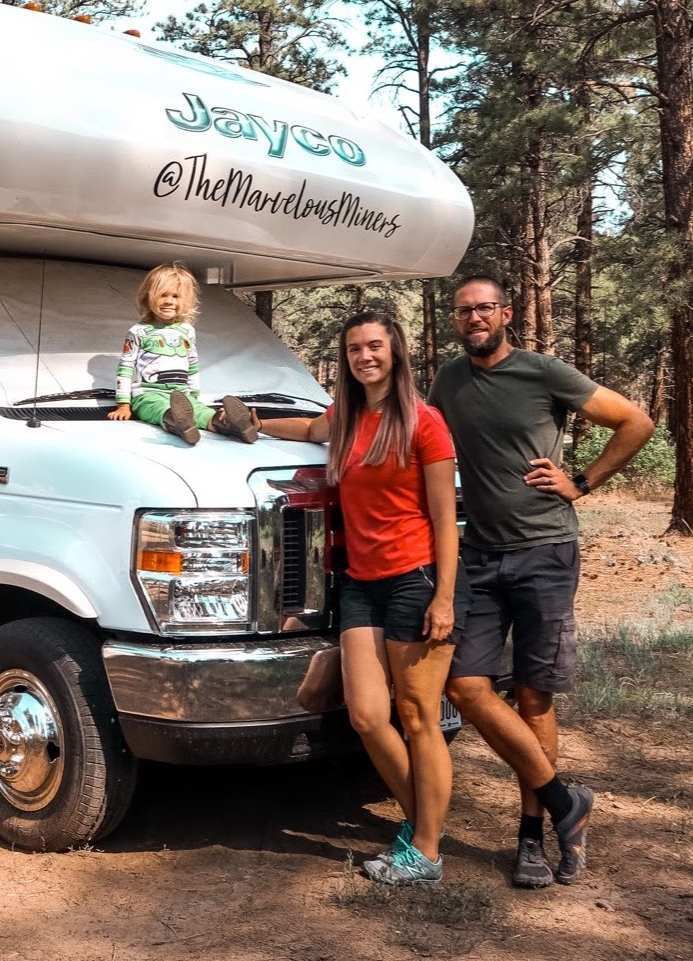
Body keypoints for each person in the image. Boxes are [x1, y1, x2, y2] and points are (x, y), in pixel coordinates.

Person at [428, 276, 654, 889]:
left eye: (484, 308)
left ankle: (531, 837)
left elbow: (635, 421)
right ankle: (564, 802)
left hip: (544, 553)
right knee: (464, 685)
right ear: (456, 320)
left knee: (533, 697)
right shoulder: (447, 381)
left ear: (505, 313)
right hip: (478, 555)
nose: (474, 317)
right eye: (463, 310)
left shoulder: (544, 372)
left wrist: (582, 481)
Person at [265, 311, 464, 886]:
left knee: (419, 717)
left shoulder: (425, 423)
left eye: (374, 346)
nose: (364, 357)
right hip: (361, 583)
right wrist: (247, 422)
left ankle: (424, 851)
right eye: (354, 349)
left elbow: (446, 521)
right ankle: (423, 828)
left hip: (415, 579)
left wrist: (444, 598)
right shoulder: (347, 418)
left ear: (395, 351)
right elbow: (306, 432)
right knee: (368, 716)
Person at [108, 262, 260, 445]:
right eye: (162, 295)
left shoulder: (187, 331)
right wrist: (123, 404)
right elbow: (125, 368)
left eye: (176, 296)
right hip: (148, 394)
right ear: (148, 296)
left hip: (182, 395)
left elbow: (193, 365)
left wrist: (194, 396)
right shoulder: (139, 331)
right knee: (157, 409)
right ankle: (178, 422)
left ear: (186, 301)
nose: (169, 301)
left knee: (203, 412)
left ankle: (231, 425)